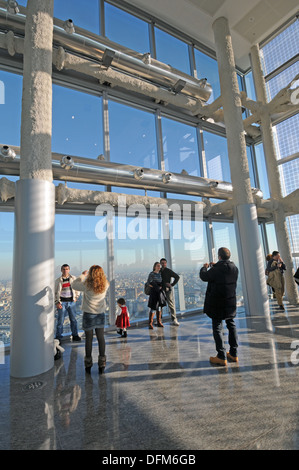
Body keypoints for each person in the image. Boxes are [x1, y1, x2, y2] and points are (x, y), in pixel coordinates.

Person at [199, 247, 239, 366]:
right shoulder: (234, 268)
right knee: (231, 325)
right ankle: (234, 353)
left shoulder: (216, 269)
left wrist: (204, 268)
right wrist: (216, 266)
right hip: (230, 302)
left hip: (217, 303)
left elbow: (204, 277)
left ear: (219, 256)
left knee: (217, 327)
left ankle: (221, 356)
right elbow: (223, 274)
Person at [72, 265, 109, 374]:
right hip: (100, 314)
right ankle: (102, 363)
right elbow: (104, 280)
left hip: (88, 314)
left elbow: (74, 285)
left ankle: (88, 364)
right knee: (101, 338)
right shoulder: (105, 284)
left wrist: (82, 276)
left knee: (89, 339)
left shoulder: (87, 285)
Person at [55, 264, 81, 342]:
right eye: (63, 269)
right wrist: (57, 302)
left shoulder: (73, 278)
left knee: (73, 319)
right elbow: (55, 292)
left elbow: (77, 288)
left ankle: (75, 335)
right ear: (61, 270)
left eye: (66, 269)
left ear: (69, 270)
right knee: (60, 321)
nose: (65, 270)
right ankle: (58, 337)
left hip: (71, 302)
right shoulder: (58, 280)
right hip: (62, 302)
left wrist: (76, 297)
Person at [160, 258, 180, 326]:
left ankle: (174, 319)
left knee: (171, 304)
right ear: (160, 264)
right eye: (162, 263)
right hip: (161, 290)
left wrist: (171, 284)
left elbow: (177, 277)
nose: (163, 264)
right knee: (160, 305)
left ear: (166, 263)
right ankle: (159, 320)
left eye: (164, 263)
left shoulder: (168, 271)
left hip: (167, 290)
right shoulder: (159, 271)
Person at [147, 261, 167, 329]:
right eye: (158, 266)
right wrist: (156, 286)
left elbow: (162, 282)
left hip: (160, 292)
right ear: (154, 267)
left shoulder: (160, 274)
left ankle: (159, 322)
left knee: (159, 307)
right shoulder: (151, 274)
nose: (159, 267)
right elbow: (149, 282)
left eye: (159, 266)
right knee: (153, 307)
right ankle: (150, 323)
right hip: (154, 292)